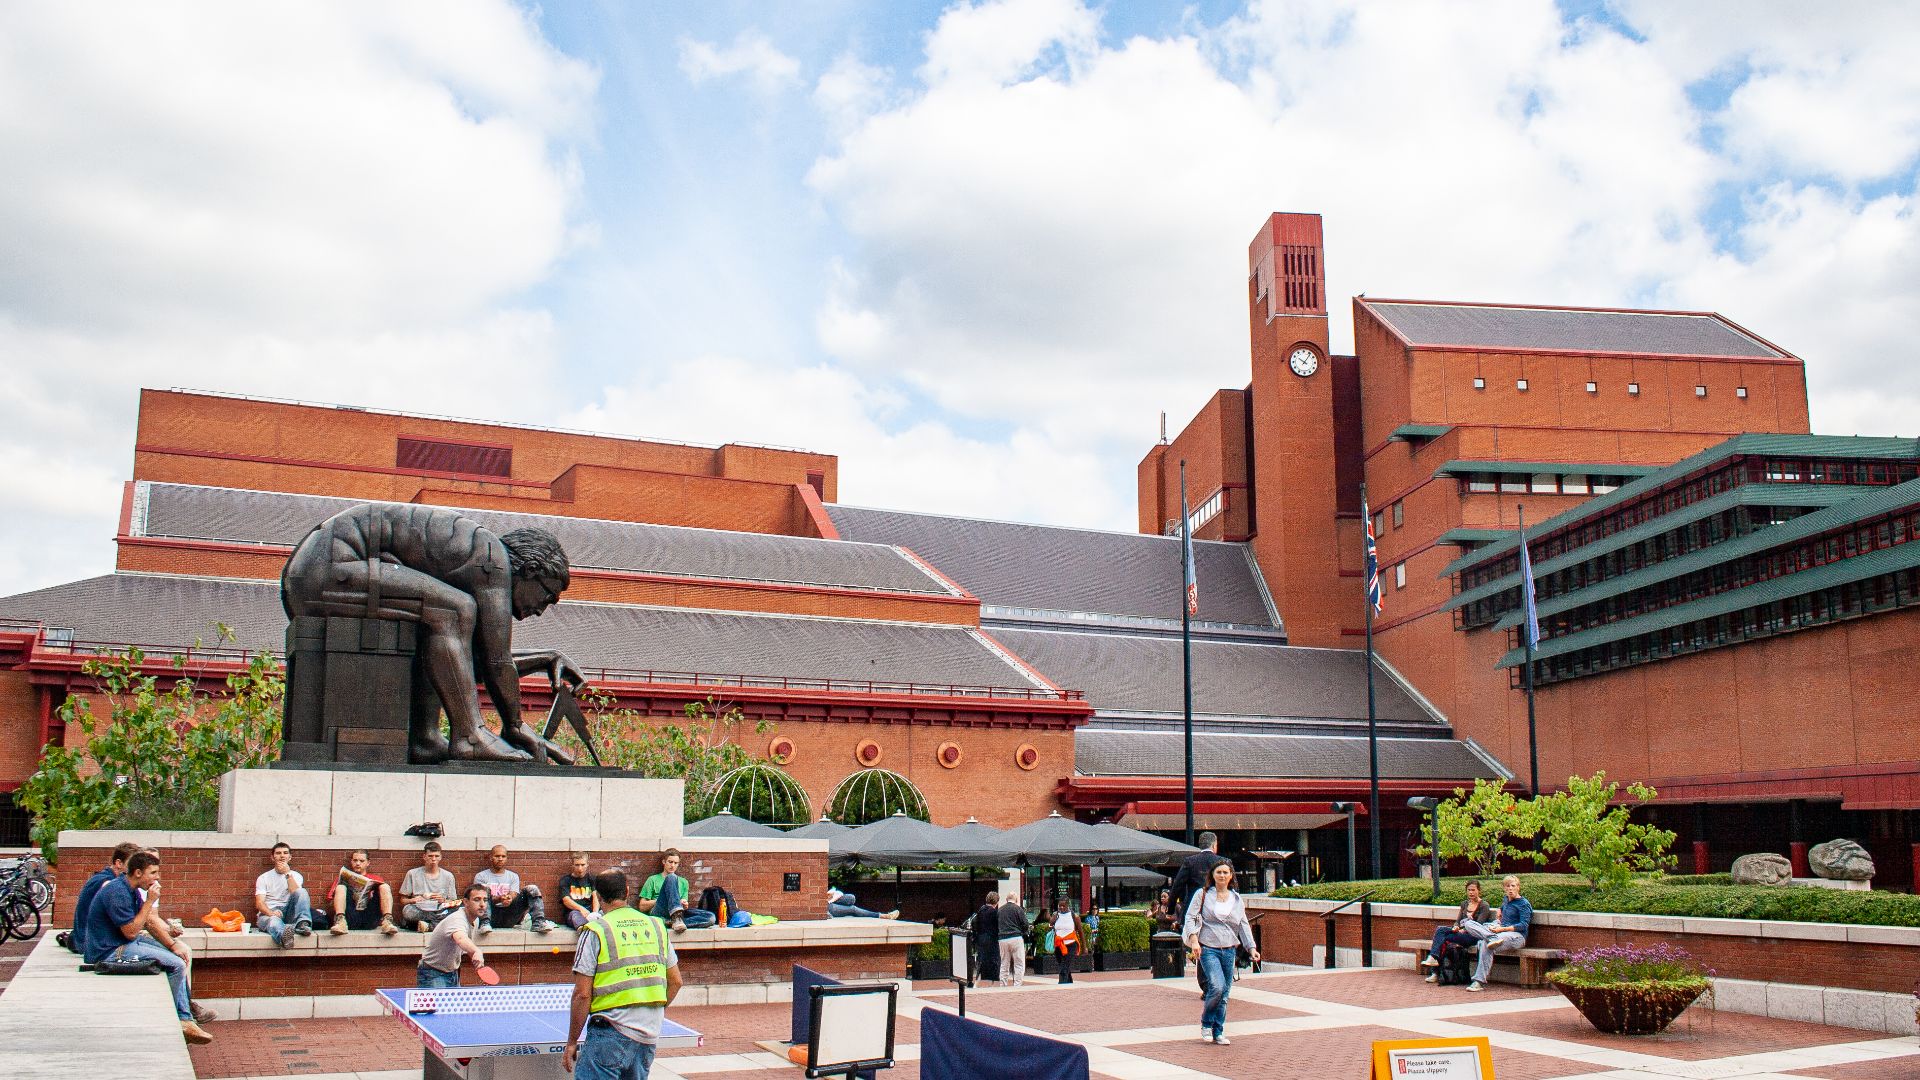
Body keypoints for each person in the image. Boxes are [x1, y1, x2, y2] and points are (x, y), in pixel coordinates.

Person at [281, 504, 584, 763]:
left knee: (441, 619)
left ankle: (424, 739)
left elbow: (462, 665)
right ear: (531, 571)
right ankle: (470, 736)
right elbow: (496, 662)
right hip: (324, 570)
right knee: (454, 610)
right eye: (547, 597)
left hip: (315, 573)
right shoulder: (492, 560)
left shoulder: (476, 557)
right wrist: (516, 726)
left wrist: (544, 659)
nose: (541, 609)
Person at [562, 869, 683, 1080]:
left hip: (610, 1031)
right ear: (627, 891)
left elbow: (582, 994)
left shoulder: (595, 930)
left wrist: (572, 1041)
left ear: (598, 897)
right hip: (649, 1032)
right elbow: (676, 982)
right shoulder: (656, 926)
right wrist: (649, 1011)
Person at [84, 851, 214, 1045]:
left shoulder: (131, 889)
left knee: (178, 955)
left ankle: (187, 1018)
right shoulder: (117, 891)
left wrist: (172, 944)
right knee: (176, 965)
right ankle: (181, 1019)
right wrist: (150, 902)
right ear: (138, 872)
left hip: (126, 943)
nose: (157, 877)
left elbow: (149, 924)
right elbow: (130, 931)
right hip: (110, 951)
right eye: (153, 873)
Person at [1182, 861, 1260, 1046]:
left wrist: (1252, 948)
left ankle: (1219, 1031)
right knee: (1216, 987)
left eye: (1226, 872)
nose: (1222, 875)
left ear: (1231, 876)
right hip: (1208, 948)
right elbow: (1190, 917)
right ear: (1213, 875)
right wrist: (1194, 941)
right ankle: (1206, 1023)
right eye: (1219, 872)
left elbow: (1243, 924)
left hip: (1229, 949)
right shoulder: (1202, 894)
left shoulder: (1237, 899)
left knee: (1224, 994)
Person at [1168, 832, 1230, 995]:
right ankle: (1218, 983)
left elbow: (1177, 887)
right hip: (1220, 912)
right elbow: (1233, 888)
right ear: (1214, 845)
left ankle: (1207, 985)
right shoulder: (1224, 862)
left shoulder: (1190, 862)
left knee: (1201, 949)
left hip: (1196, 914)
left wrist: (1170, 909)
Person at [69, 840, 143, 956]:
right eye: (133, 863)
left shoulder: (111, 879)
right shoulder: (109, 883)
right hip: (92, 944)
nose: (138, 868)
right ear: (119, 863)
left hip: (90, 939)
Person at [1466, 876, 1533, 992]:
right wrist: (1500, 910)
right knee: (1467, 923)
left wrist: (1501, 930)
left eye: (1513, 886)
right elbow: (1503, 909)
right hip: (1499, 932)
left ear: (1518, 887)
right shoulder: (1506, 899)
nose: (1510, 889)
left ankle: (1478, 981)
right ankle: (1491, 937)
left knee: (1484, 943)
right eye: (1508, 886)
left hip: (1516, 936)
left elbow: (1523, 925)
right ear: (1504, 888)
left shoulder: (1523, 904)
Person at [418, 883, 489, 988]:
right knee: (439, 1005)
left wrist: (480, 967)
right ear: (465, 902)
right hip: (433, 973)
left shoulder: (475, 920)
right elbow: (460, 939)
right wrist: (477, 951)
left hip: (452, 972)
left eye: (485, 900)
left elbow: (466, 946)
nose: (482, 904)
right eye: (477, 900)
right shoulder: (457, 919)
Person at [473, 844, 555, 934]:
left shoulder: (513, 876)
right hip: (491, 916)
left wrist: (509, 898)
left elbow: (514, 893)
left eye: (503, 856)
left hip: (510, 915)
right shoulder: (481, 876)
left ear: (506, 858)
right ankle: (484, 923)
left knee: (532, 888)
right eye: (497, 856)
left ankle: (538, 923)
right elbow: (478, 899)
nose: (500, 859)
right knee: (483, 889)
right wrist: (499, 898)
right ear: (491, 857)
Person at [1420, 879, 1491, 983]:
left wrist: (1464, 929)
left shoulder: (1484, 905)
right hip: (1460, 933)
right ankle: (1434, 963)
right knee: (1441, 931)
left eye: (1473, 890)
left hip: (1473, 936)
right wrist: (1456, 927)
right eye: (1469, 890)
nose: (1471, 892)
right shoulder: (1464, 904)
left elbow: (1479, 925)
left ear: (1479, 890)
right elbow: (1457, 921)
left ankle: (1435, 969)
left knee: (1442, 937)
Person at [254, 842, 314, 948]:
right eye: (278, 853)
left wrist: (287, 874)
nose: (282, 856)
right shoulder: (263, 877)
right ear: (272, 857)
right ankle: (284, 938)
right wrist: (271, 913)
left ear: (290, 857)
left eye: (285, 853)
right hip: (269, 913)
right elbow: (259, 903)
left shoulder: (296, 876)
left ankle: (302, 924)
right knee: (273, 921)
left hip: (289, 912)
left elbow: (296, 894)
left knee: (302, 891)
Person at [330, 849, 400, 935]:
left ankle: (387, 922)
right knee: (341, 887)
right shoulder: (342, 878)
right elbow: (330, 899)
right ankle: (340, 922)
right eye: (355, 860)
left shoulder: (375, 878)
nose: (358, 863)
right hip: (350, 917)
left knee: (384, 886)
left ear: (368, 863)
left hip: (369, 917)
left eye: (361, 861)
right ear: (351, 861)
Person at [400, 841, 459, 932]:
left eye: (436, 856)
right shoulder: (412, 873)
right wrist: (413, 900)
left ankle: (428, 926)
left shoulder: (448, 876)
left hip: (439, 908)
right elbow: (403, 900)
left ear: (441, 857)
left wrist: (443, 900)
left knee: (457, 910)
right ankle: (436, 924)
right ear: (424, 857)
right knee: (407, 911)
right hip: (419, 909)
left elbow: (453, 902)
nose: (434, 859)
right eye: (430, 856)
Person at [638, 850, 691, 933]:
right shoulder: (652, 879)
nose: (672, 865)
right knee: (671, 877)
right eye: (670, 862)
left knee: (710, 917)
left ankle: (669, 921)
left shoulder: (684, 882)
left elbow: (683, 905)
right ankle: (673, 919)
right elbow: (642, 906)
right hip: (658, 911)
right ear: (664, 862)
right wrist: (663, 901)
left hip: (675, 914)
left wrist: (684, 904)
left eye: (676, 863)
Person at [995, 892, 1030, 987]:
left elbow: (996, 924)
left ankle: (1003, 984)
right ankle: (1017, 985)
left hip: (1002, 938)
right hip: (1016, 937)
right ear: (1016, 900)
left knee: (1004, 963)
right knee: (1019, 963)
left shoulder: (1000, 910)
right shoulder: (1018, 909)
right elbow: (1025, 924)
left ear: (1006, 899)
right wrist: (1023, 931)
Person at [559, 851, 600, 929]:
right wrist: (581, 909)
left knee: (604, 914)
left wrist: (595, 913)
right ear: (572, 865)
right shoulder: (565, 880)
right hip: (574, 912)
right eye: (577, 865)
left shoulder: (592, 879)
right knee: (575, 916)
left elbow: (596, 897)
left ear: (587, 864)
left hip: (590, 911)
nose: (580, 868)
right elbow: (566, 900)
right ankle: (584, 930)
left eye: (582, 865)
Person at [1052, 899, 1086, 986]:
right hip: (1059, 945)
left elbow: (1081, 932)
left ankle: (1062, 985)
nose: (1061, 908)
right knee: (1064, 966)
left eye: (1063, 906)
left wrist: (1084, 946)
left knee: (1064, 967)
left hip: (1071, 945)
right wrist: (1054, 918)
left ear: (1068, 906)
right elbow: (1050, 924)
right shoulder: (1056, 915)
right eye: (1060, 906)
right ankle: (1069, 983)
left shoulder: (1074, 916)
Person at [970, 891, 1000, 983]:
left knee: (981, 959)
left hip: (980, 938)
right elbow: (997, 926)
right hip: (991, 939)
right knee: (994, 960)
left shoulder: (981, 910)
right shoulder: (994, 912)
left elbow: (974, 923)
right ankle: (992, 982)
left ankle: (977, 981)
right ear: (997, 901)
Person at [826, 886, 898, 920]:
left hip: (827, 899)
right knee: (853, 909)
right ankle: (883, 916)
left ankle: (834, 897)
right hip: (826, 906)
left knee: (851, 898)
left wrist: (831, 894)